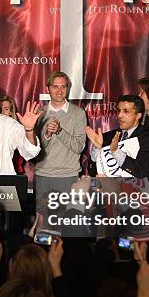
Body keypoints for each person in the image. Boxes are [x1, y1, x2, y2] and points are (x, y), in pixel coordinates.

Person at [34, 72, 87, 217]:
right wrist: (47, 135)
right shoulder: (39, 113)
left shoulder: (78, 113)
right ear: (47, 89)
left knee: (66, 224)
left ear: (68, 88)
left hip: (68, 176)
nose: (59, 91)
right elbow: (33, 150)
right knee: (43, 223)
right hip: (43, 175)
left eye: (63, 86)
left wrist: (59, 131)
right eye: (55, 86)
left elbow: (79, 147)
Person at [86, 95, 149, 179]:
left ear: (138, 115)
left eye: (126, 111)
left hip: (137, 190)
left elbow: (143, 171)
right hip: (108, 190)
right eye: (119, 110)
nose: (119, 115)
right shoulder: (107, 137)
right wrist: (97, 151)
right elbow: (92, 171)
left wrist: (116, 152)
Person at [0, 95, 26, 175]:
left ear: (10, 112)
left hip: (12, 175)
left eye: (6, 109)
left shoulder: (16, 130)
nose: (2, 112)